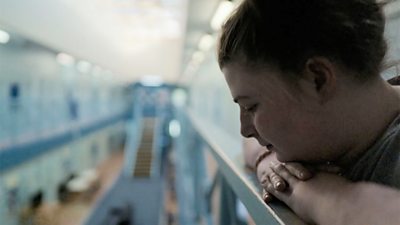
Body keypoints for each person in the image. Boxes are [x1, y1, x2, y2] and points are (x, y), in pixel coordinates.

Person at [217, 0, 400, 224]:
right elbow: (250, 146)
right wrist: (270, 162)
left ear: (318, 80)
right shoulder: (336, 134)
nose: (245, 129)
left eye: (251, 107)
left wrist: (322, 195)